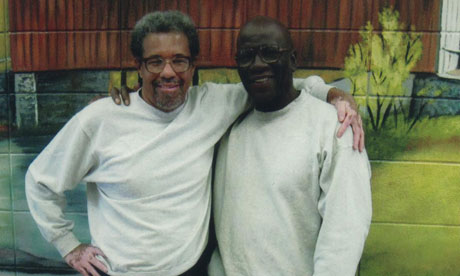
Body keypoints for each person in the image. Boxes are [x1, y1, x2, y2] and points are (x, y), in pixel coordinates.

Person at [26, 11, 362, 276]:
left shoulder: (212, 106)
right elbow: (41, 181)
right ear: (138, 67)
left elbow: (275, 81)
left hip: (192, 272)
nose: (168, 71)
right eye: (155, 61)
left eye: (179, 60)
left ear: (193, 64)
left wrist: (331, 93)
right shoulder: (100, 120)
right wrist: (68, 245)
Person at [207, 16, 372, 276]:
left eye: (270, 53)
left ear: (293, 60)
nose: (258, 64)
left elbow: (345, 232)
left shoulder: (334, 127)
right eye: (247, 55)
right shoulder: (227, 122)